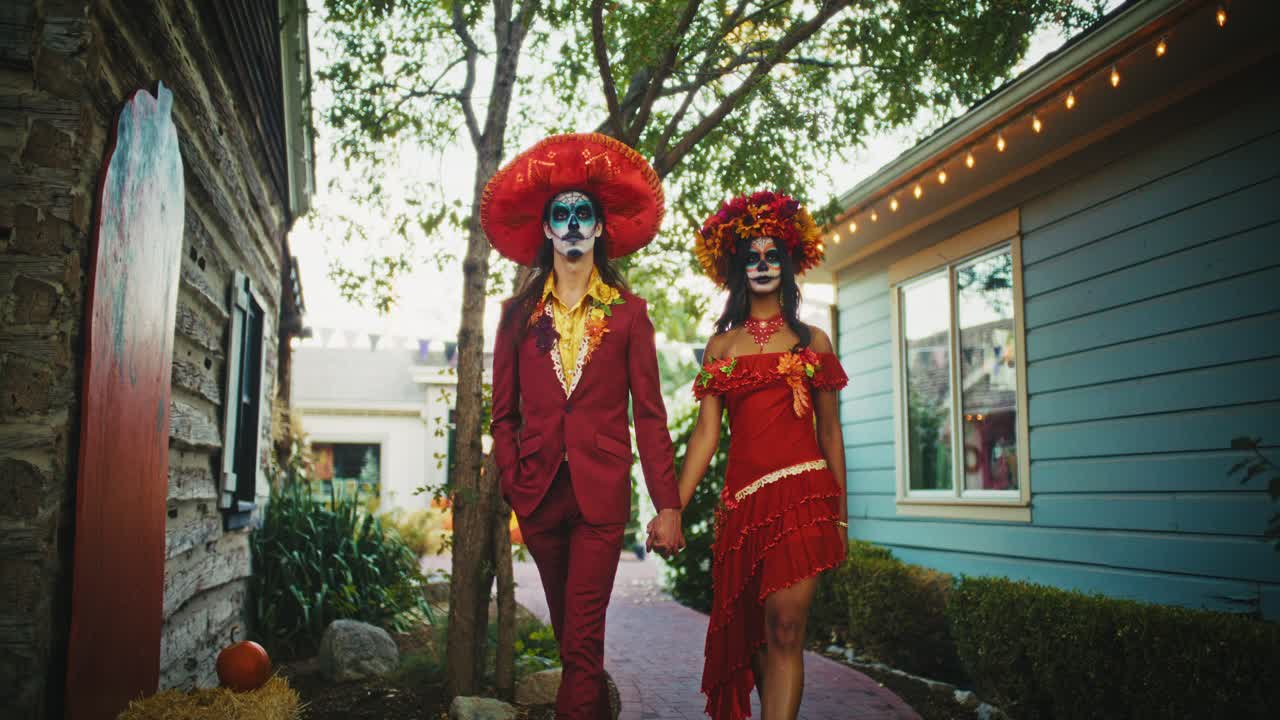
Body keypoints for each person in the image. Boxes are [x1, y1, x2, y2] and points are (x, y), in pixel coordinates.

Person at [483, 133, 686, 719]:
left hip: (600, 495)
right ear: (547, 229)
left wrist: (666, 504)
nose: (573, 224)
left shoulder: (630, 314)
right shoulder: (516, 316)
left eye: (584, 214)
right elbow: (503, 413)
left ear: (600, 228)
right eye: (561, 214)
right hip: (538, 493)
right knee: (573, 642)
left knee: (581, 641)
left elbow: (649, 416)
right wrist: (510, 477)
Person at [662, 190, 848, 720]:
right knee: (759, 640)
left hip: (804, 498)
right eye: (752, 257)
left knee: (787, 627)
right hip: (742, 509)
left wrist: (842, 514)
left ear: (788, 265)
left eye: (772, 256)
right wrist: (672, 505)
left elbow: (831, 433)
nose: (762, 265)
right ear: (738, 269)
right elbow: (705, 435)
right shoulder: (721, 347)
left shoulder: (815, 341)